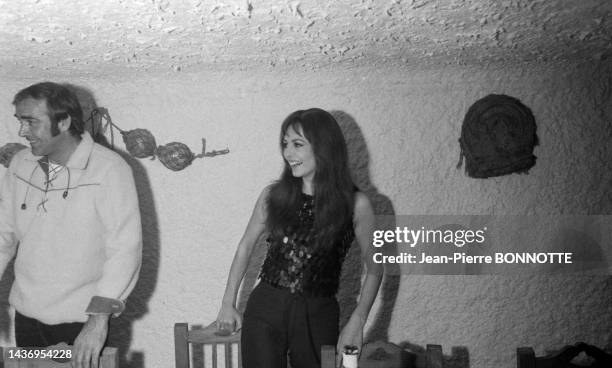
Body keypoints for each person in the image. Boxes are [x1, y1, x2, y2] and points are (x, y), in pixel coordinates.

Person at [216, 108, 383, 368]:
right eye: (285, 144)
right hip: (266, 307)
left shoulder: (356, 204)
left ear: (324, 147)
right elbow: (245, 248)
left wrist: (358, 320)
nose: (287, 153)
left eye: (297, 144)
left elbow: (375, 267)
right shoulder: (273, 195)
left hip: (319, 312)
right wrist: (228, 303)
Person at [0, 82, 142, 368]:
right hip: (28, 317)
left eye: (31, 122)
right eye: (20, 121)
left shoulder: (109, 169)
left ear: (64, 121)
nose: (22, 132)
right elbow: (4, 233)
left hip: (82, 322)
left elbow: (125, 247)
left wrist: (98, 319)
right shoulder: (20, 164)